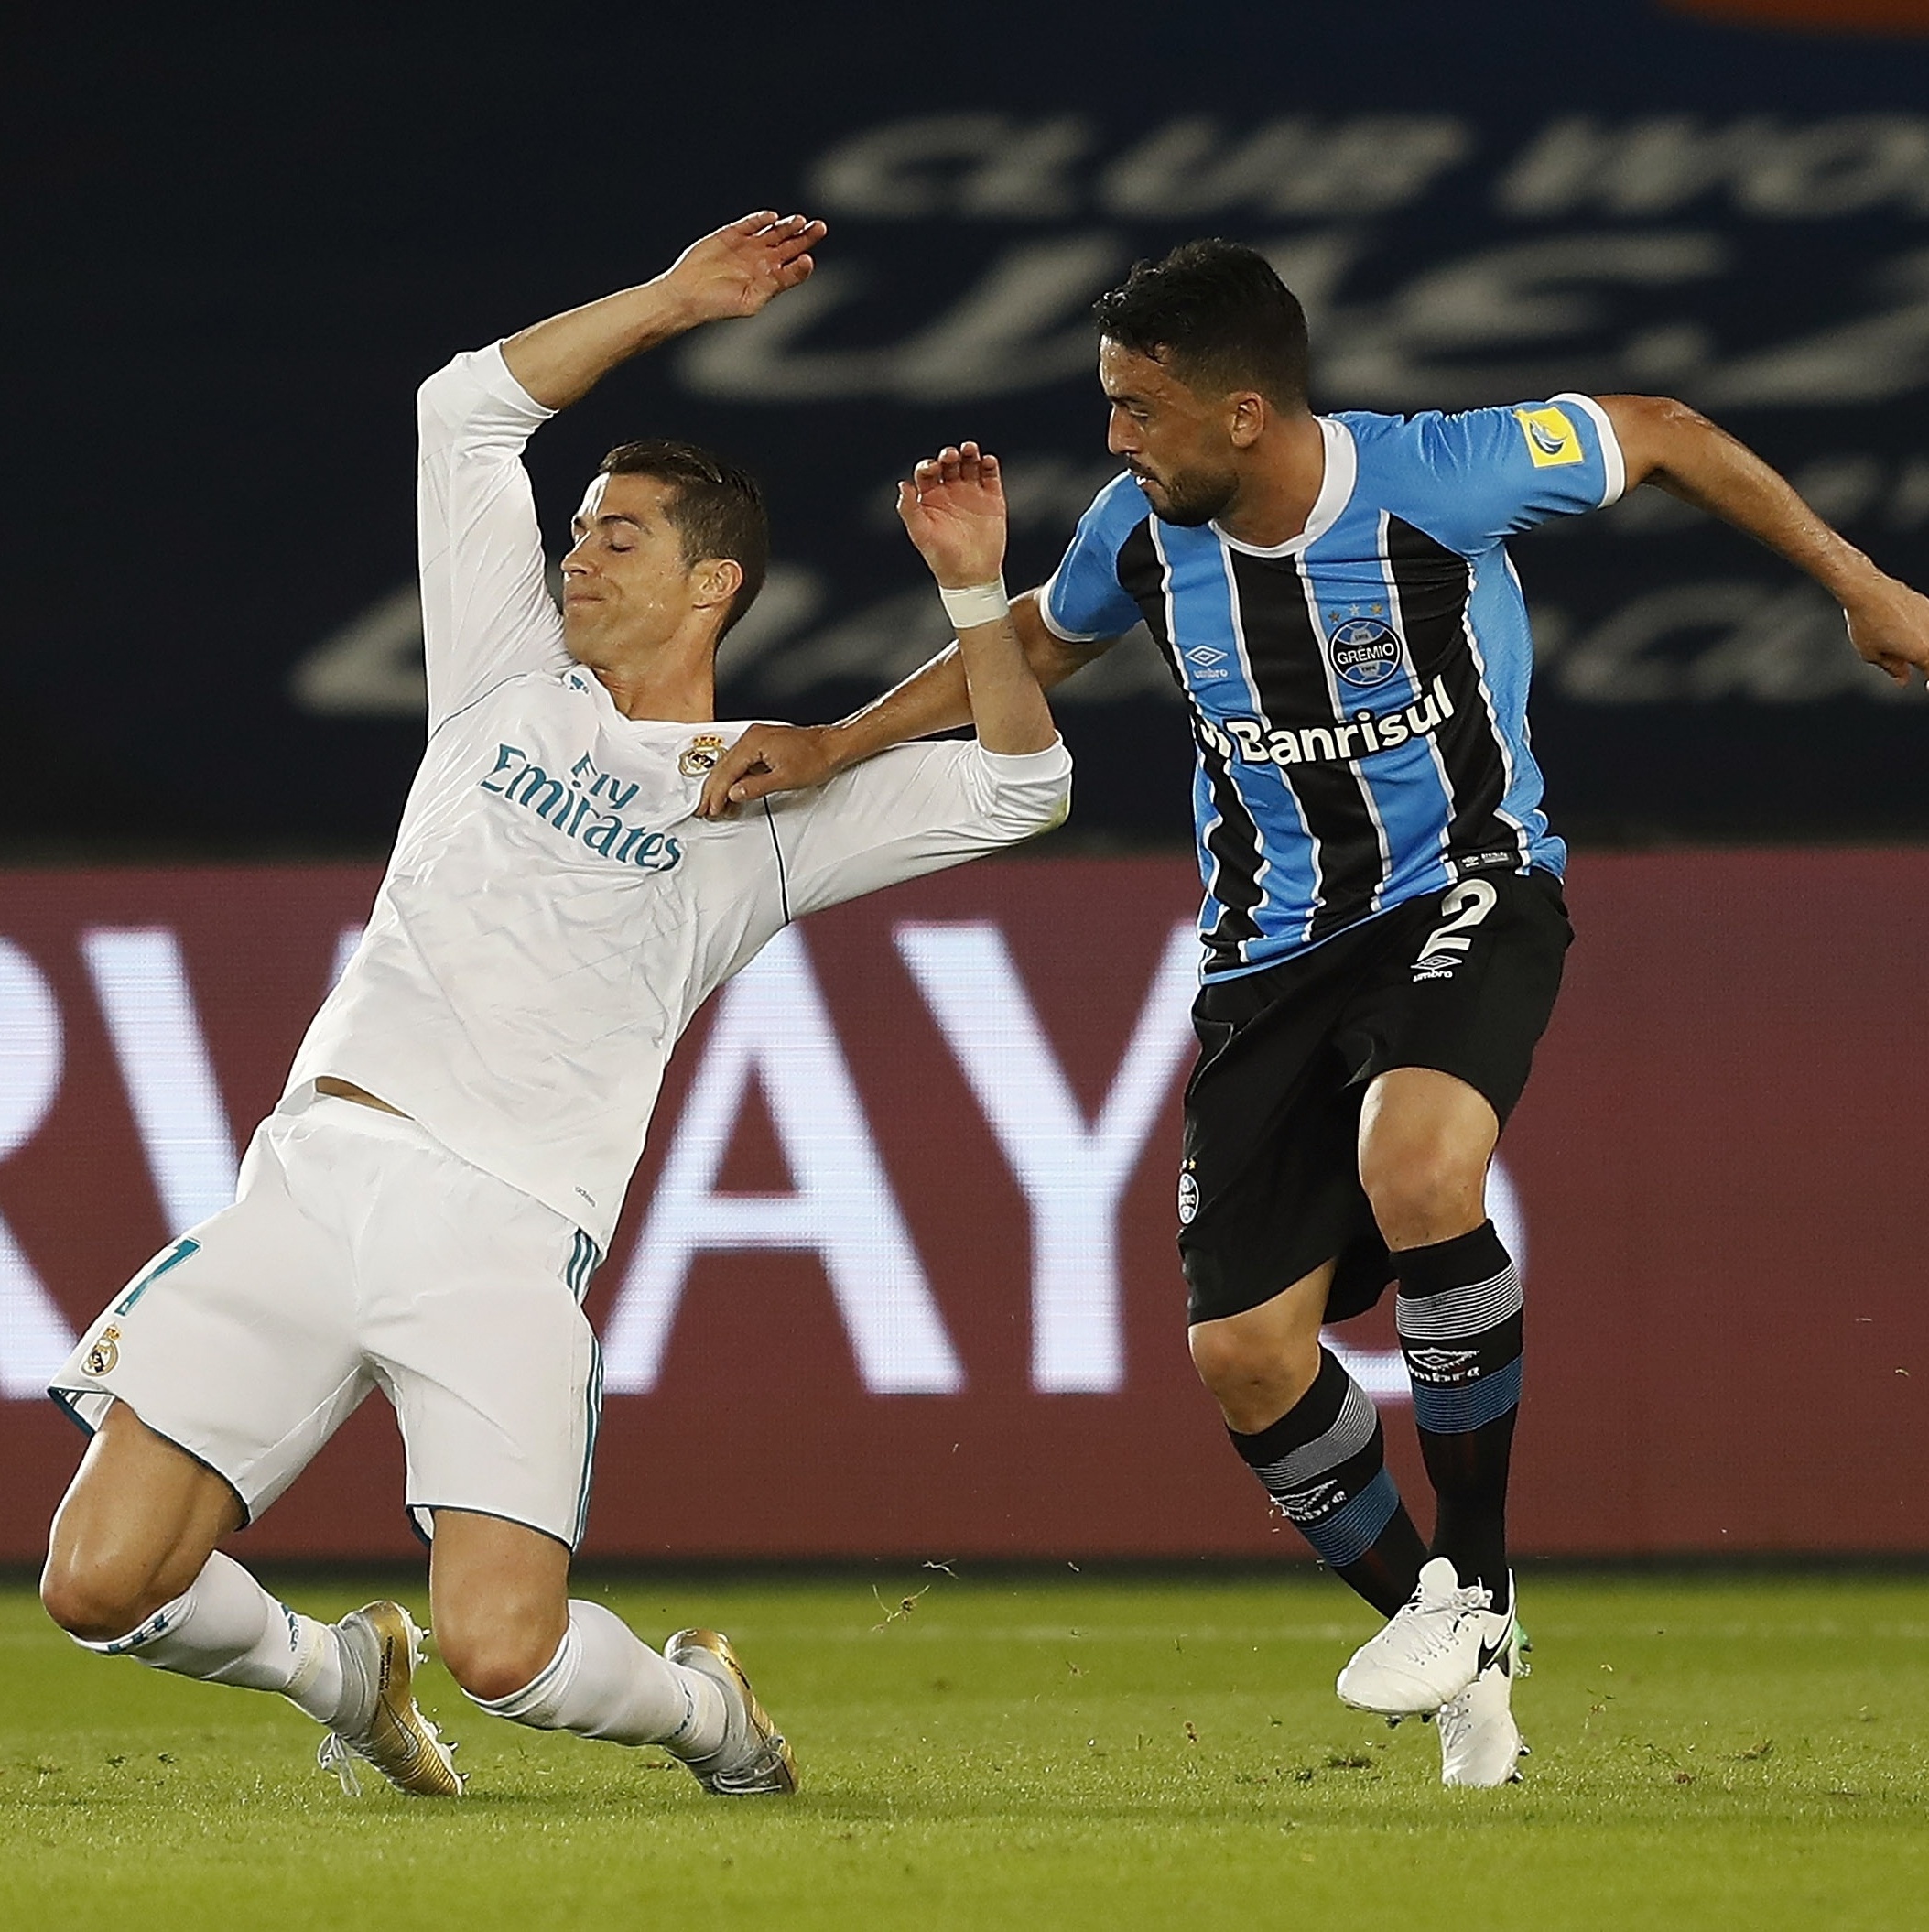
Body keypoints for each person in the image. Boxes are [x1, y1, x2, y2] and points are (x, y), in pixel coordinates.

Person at [696, 238, 1929, 1787]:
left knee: (1422, 1163)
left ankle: (1474, 1590)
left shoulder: (1443, 477)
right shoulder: (1136, 536)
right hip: (1267, 955)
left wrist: (1865, 585)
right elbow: (1042, 648)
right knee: (1244, 1355)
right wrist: (834, 741)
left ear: (1243, 417)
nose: (1115, 439)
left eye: (1138, 410)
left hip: (1469, 886)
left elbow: (1665, 429)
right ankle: (1450, 1629)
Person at [39, 212, 1071, 1801]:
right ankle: (340, 1672)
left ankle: (710, 1715)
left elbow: (1021, 785)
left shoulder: (771, 800)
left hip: (505, 1229)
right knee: (97, 1583)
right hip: (316, 1175)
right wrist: (668, 301)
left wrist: (974, 590)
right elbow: (465, 406)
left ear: (713, 580)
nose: (575, 553)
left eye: (620, 535)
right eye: (577, 527)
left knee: (508, 1653)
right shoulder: (503, 683)